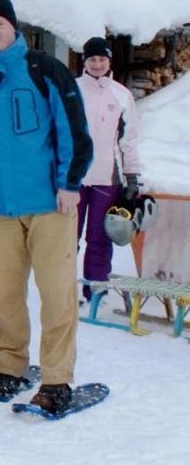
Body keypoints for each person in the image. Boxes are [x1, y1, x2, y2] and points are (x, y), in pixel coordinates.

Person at [0, 0, 92, 415]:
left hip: (49, 203)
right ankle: (9, 367)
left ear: (13, 27)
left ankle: (56, 379)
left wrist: (70, 182)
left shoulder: (45, 69)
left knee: (56, 293)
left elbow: (74, 128)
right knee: (1, 292)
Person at [75, 36, 141, 302]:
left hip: (107, 178)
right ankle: (60, 287)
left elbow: (129, 140)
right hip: (74, 178)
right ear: (85, 61)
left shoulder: (121, 95)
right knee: (66, 237)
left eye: (102, 59)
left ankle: (95, 290)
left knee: (99, 237)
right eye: (92, 59)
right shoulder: (72, 89)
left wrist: (133, 176)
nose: (97, 64)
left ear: (109, 61)